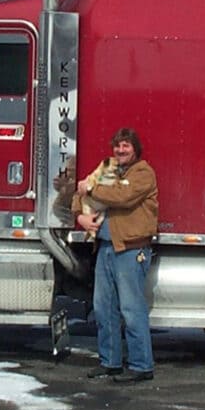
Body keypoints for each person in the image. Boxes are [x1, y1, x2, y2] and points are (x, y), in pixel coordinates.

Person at [73, 127, 159, 383]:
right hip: (105, 248)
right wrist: (80, 216)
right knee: (103, 308)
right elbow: (79, 191)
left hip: (131, 250)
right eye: (117, 146)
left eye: (126, 146)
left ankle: (142, 366)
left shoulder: (143, 173)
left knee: (131, 309)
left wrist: (90, 190)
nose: (121, 151)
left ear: (135, 149)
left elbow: (122, 197)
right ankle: (109, 362)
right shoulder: (108, 170)